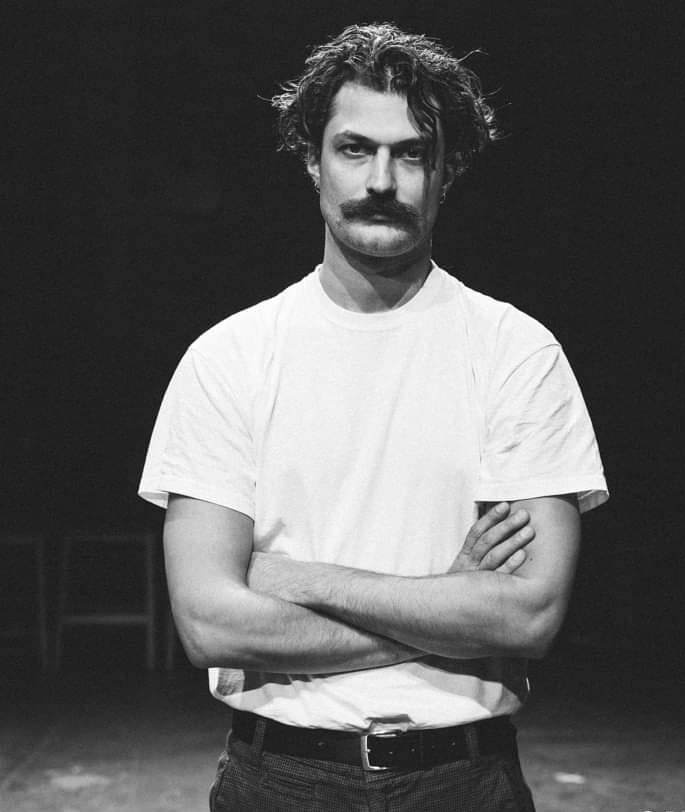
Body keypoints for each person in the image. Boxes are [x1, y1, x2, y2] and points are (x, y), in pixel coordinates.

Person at [139, 22, 608, 811]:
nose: (382, 179)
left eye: (412, 154)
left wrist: (296, 579)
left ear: (448, 171)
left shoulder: (516, 353)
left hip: (465, 782)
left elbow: (528, 615)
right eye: (355, 149)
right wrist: (447, 604)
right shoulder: (230, 358)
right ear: (312, 161)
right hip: (279, 781)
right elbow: (211, 624)